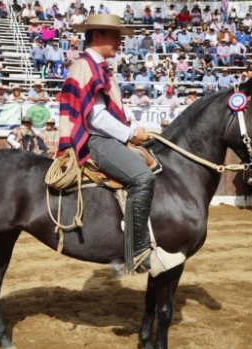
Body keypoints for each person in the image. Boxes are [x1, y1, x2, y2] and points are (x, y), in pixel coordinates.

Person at [56, 14, 185, 276]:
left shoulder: (98, 67)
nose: (120, 42)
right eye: (115, 36)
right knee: (142, 177)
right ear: (97, 36)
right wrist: (129, 134)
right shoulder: (87, 67)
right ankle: (139, 252)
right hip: (97, 140)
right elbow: (96, 117)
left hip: (105, 137)